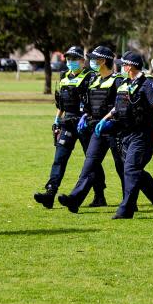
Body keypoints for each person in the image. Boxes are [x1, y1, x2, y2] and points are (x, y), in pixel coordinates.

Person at [96, 52, 153, 219]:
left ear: (130, 66)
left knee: (130, 169)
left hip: (143, 134)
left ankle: (126, 209)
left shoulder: (148, 83)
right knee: (134, 171)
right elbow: (117, 107)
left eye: (123, 64)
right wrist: (104, 119)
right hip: (125, 134)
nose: (121, 67)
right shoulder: (124, 83)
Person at [33, 46, 106, 209]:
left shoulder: (91, 77)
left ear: (82, 61)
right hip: (68, 123)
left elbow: (94, 102)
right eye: (68, 59)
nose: (70, 62)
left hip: (85, 123)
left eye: (74, 59)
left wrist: (88, 118)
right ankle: (50, 193)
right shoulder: (63, 77)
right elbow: (61, 103)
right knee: (59, 158)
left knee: (92, 160)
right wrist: (57, 120)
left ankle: (99, 195)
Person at [57, 46, 124, 213]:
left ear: (103, 61)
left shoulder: (118, 81)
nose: (91, 61)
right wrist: (85, 116)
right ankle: (75, 199)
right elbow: (87, 105)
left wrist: (108, 119)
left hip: (115, 130)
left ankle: (131, 199)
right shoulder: (93, 80)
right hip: (97, 130)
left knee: (122, 167)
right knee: (89, 164)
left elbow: (120, 106)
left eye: (95, 59)